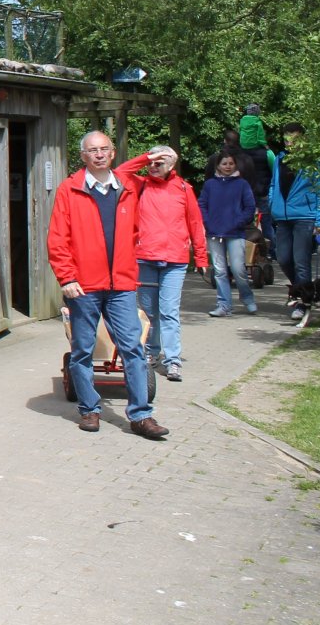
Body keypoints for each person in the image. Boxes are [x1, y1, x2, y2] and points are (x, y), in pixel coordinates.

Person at [48, 131, 169, 439]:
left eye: (104, 149)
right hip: (84, 285)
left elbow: (161, 175)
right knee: (83, 350)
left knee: (132, 348)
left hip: (122, 284)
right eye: (92, 150)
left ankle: (141, 416)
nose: (99, 154)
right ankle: (90, 409)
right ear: (83, 156)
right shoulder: (70, 189)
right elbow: (58, 238)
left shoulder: (128, 186)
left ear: (113, 153)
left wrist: (155, 158)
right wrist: (67, 277)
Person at [123, 146, 207, 382]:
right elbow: (120, 172)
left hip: (175, 260)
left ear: (171, 165)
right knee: (149, 313)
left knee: (169, 311)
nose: (153, 166)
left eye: (159, 163)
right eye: (151, 162)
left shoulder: (183, 188)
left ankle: (173, 361)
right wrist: (145, 158)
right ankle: (150, 354)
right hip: (145, 257)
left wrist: (201, 257)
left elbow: (195, 221)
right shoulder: (140, 184)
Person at [269, 123, 320, 319]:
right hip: (283, 217)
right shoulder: (280, 159)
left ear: (303, 138)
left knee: (301, 261)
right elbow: (273, 184)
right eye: (287, 139)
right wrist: (272, 204)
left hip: (305, 217)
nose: (290, 143)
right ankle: (305, 290)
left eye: (294, 138)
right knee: (283, 258)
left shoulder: (312, 160)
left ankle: (303, 305)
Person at [200, 148, 258, 317]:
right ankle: (224, 304)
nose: (228, 166)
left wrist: (238, 222)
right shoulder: (210, 184)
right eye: (224, 163)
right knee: (219, 271)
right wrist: (208, 222)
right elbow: (202, 204)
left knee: (239, 269)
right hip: (214, 233)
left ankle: (247, 297)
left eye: (231, 163)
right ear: (217, 166)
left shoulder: (242, 184)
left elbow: (249, 207)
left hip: (235, 233)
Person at [238, 106, 273, 245]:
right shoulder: (267, 154)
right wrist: (264, 145)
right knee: (266, 224)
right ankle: (271, 251)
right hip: (262, 191)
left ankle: (248, 250)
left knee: (247, 223)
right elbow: (274, 172)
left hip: (245, 193)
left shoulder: (239, 155)